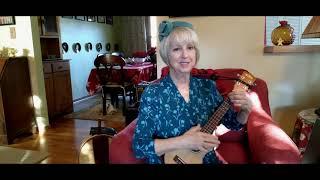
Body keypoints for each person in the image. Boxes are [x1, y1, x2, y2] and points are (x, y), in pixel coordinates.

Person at [132, 20, 253, 164]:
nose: (185, 55)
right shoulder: (153, 94)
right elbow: (139, 147)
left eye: (190, 48)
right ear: (166, 54)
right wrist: (183, 141)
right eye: (176, 49)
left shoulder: (208, 87)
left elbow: (233, 123)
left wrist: (245, 111)